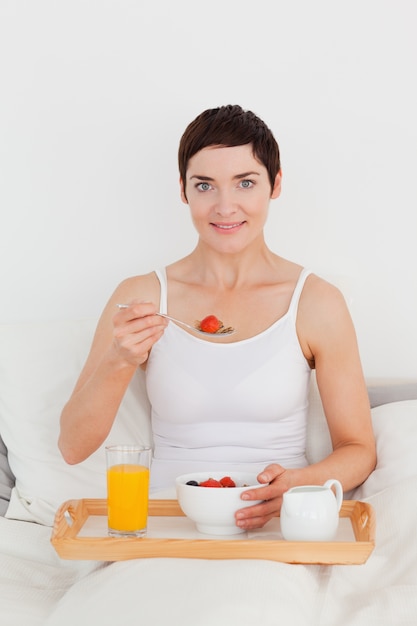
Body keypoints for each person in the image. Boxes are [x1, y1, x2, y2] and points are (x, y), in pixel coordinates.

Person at [59, 104, 376, 531]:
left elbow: (358, 447)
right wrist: (119, 359)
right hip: (168, 522)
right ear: (183, 191)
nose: (225, 207)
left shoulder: (317, 302)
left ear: (275, 185)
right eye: (205, 185)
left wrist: (300, 485)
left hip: (275, 522)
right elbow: (72, 446)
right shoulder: (142, 295)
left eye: (245, 183)